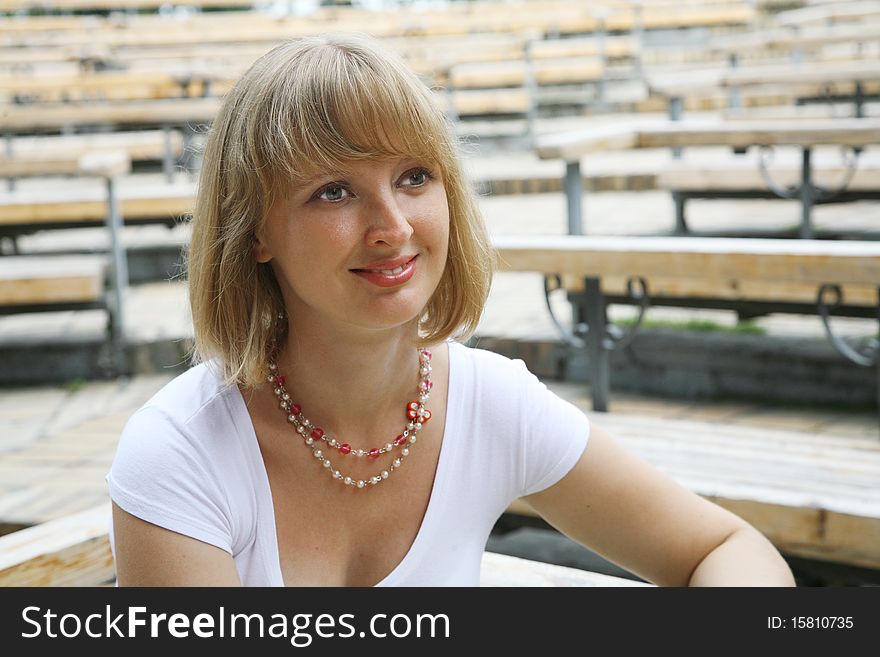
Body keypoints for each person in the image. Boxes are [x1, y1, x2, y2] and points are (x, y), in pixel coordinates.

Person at [106, 33, 795, 587]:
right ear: (254, 230)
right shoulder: (180, 453)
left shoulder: (490, 401)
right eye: (335, 191)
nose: (393, 226)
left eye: (414, 176)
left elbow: (727, 546)